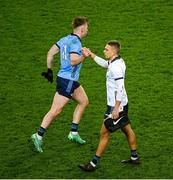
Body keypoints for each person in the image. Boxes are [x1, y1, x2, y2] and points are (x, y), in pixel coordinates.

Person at [31, 16, 90, 153]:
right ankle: (38, 136)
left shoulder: (64, 39)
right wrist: (83, 56)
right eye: (86, 28)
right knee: (56, 110)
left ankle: (73, 133)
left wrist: (49, 70)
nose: (87, 30)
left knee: (84, 101)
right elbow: (73, 61)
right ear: (81, 29)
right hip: (67, 81)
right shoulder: (76, 42)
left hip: (68, 80)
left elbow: (50, 53)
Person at [79, 40, 140, 172]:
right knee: (126, 129)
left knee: (104, 133)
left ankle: (93, 164)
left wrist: (116, 108)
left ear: (113, 51)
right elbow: (105, 64)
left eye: (106, 49)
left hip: (116, 106)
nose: (104, 50)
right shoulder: (115, 62)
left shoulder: (116, 67)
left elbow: (121, 87)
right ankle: (134, 158)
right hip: (121, 103)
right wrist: (91, 55)